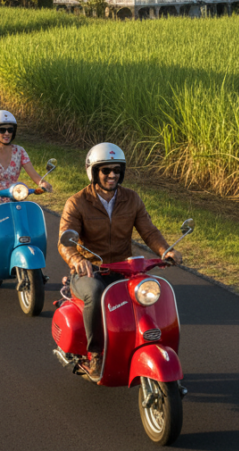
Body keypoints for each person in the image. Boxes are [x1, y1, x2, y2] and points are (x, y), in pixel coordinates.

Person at [58, 142, 181, 382]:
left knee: (150, 291)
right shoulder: (77, 202)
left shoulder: (131, 199)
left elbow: (149, 231)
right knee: (95, 292)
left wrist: (165, 250)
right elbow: (66, 240)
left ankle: (145, 345)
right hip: (90, 271)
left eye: (117, 170)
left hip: (124, 269)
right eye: (106, 170)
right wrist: (77, 259)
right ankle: (95, 353)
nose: (112, 175)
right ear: (94, 172)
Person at [0, 111, 53, 272]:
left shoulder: (20, 151)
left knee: (26, 216)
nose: (6, 133)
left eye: (10, 130)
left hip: (14, 193)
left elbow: (32, 173)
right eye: (2, 129)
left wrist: (43, 182)